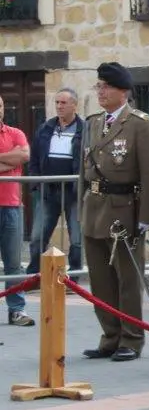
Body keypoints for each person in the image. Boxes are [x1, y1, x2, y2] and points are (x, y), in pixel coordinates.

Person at [80, 63, 149, 361]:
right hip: (94, 208)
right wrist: (82, 208)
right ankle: (110, 336)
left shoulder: (140, 123)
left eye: (106, 87)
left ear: (123, 91)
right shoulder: (92, 123)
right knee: (101, 280)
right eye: (99, 86)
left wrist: (147, 217)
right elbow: (84, 171)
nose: (100, 92)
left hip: (123, 210)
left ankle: (131, 337)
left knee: (127, 279)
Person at [27, 88, 84, 277]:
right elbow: (34, 157)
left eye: (63, 103)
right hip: (48, 192)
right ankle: (34, 276)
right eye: (57, 103)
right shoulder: (45, 128)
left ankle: (73, 277)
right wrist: (36, 183)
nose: (59, 107)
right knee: (37, 237)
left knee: (76, 239)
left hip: (74, 192)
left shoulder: (85, 130)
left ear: (74, 105)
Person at [0, 96, 34, 327]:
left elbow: (24, 155)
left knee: (14, 263)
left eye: (0, 105)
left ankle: (16, 311)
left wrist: (14, 158)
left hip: (11, 205)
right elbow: (16, 158)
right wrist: (9, 160)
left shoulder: (16, 133)